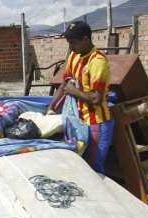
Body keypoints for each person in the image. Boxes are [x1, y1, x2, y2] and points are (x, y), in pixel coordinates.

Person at [47, 20, 115, 174]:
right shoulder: (74, 57)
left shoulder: (97, 62)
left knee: (92, 167)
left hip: (96, 123)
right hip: (78, 121)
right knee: (79, 165)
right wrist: (51, 107)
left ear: (85, 39)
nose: (70, 47)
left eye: (73, 43)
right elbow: (65, 84)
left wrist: (74, 91)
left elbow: (97, 99)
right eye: (68, 43)